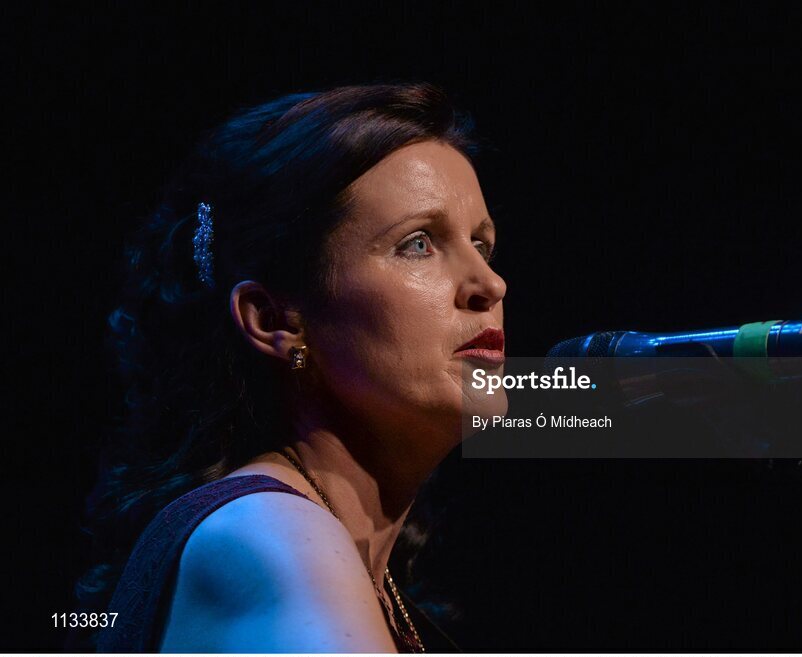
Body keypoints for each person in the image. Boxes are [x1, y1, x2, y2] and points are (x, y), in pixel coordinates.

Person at [71, 83, 507, 652]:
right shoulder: (270, 535)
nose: (489, 285)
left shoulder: (317, 548)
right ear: (275, 319)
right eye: (418, 244)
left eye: (482, 244)